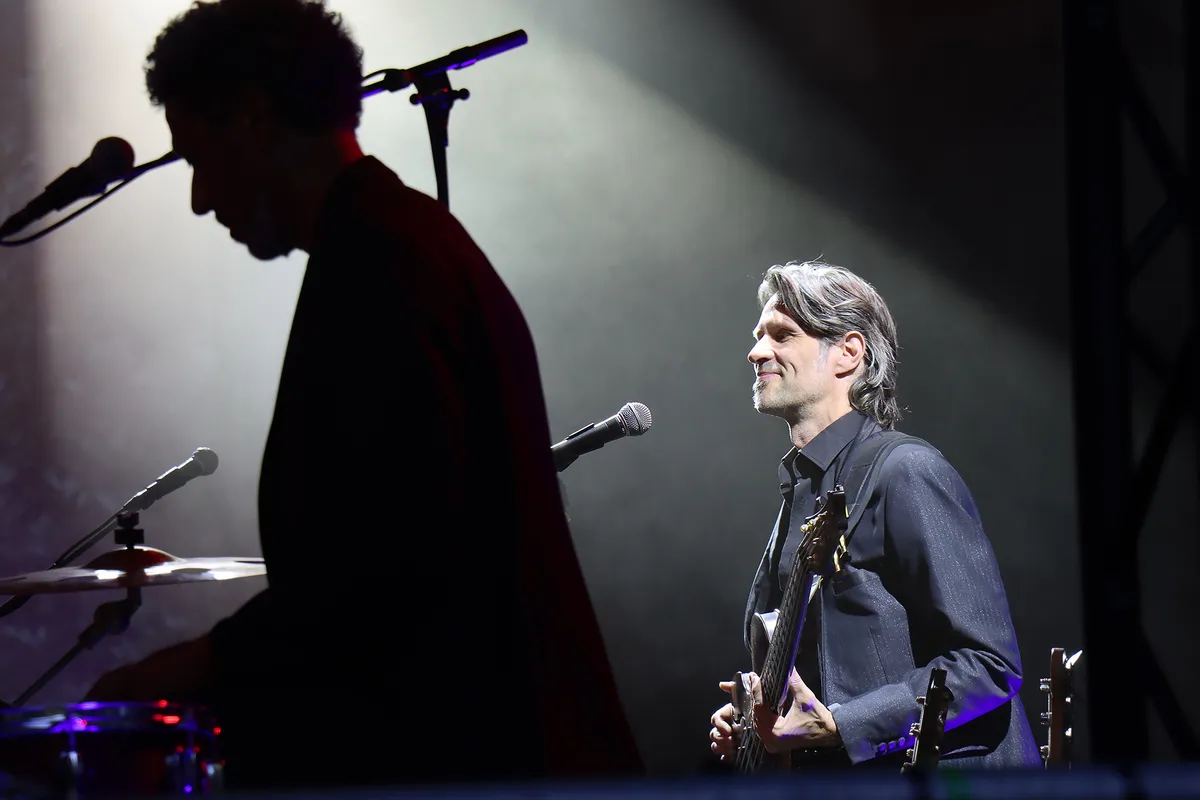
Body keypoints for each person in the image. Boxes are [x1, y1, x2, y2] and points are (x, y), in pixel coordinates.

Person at [85, 0, 642, 788]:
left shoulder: (382, 265)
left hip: (475, 760)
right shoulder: (395, 241)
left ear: (253, 118)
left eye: (197, 157)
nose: (200, 198)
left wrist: (194, 665)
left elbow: (382, 570)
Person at [708, 260, 1042, 768]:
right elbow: (822, 682)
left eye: (782, 335)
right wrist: (760, 728)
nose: (756, 352)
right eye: (758, 337)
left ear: (848, 352)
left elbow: (989, 665)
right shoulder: (803, 491)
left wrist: (846, 725)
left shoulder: (907, 471)